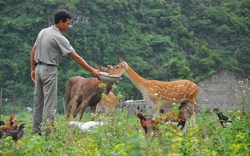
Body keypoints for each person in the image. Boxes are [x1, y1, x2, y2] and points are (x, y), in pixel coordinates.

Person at [30, 9, 101, 135]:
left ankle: (35, 131)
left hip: (39, 68)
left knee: (38, 102)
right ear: (61, 22)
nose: (69, 26)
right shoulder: (59, 37)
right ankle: (48, 133)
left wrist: (33, 69)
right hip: (49, 70)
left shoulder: (43, 32)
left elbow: (33, 51)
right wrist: (92, 70)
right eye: (68, 23)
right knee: (50, 104)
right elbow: (75, 57)